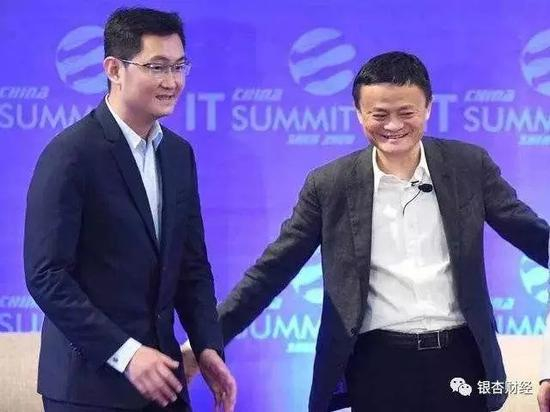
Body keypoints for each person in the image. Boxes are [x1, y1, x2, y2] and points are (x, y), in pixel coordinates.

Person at [182, 51, 549, 412]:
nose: (393, 125)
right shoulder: (330, 184)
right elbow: (272, 270)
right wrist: (205, 343)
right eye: (379, 115)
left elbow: (533, 235)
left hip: (462, 358)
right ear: (359, 114)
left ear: (428, 108)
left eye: (406, 112)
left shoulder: (469, 166)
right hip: (376, 364)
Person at [24, 7, 236, 412]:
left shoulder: (178, 155)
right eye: (157, 67)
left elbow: (191, 266)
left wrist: (208, 346)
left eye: (179, 66)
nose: (172, 81)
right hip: (88, 389)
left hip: (164, 381)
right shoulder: (70, 155)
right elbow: (46, 275)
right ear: (114, 69)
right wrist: (126, 353)